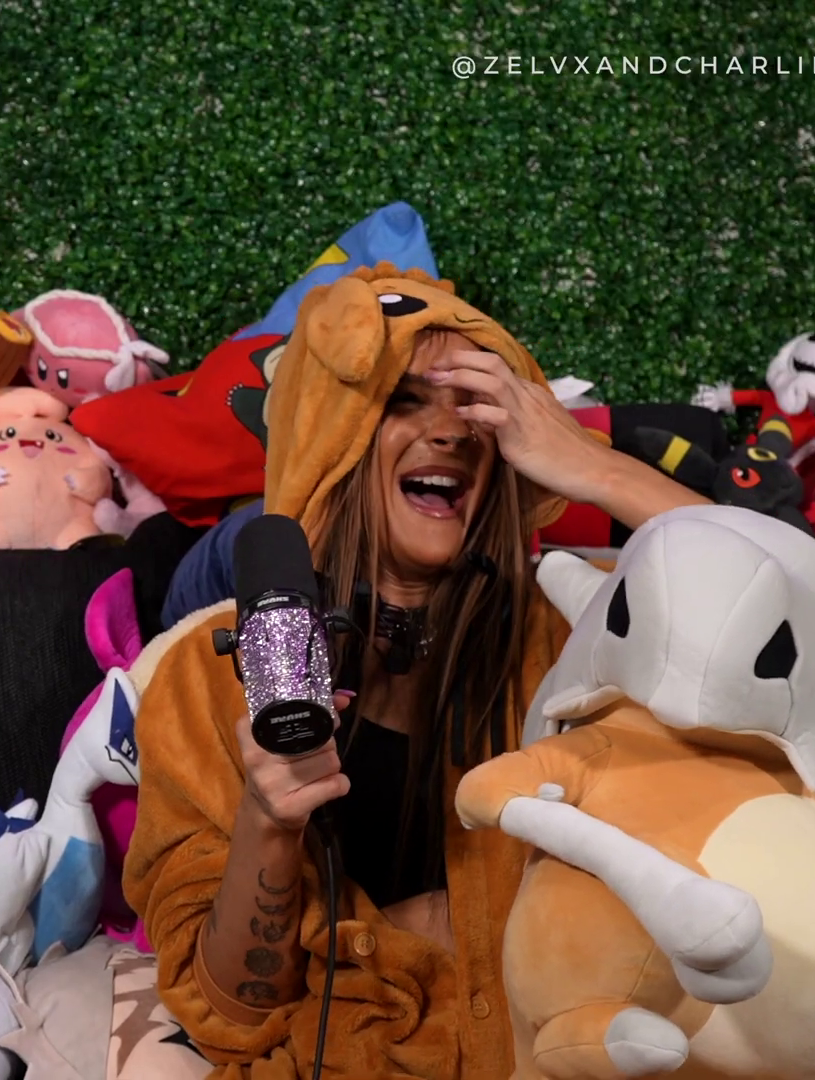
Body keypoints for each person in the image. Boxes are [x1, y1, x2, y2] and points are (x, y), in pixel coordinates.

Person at [123, 265, 711, 1079]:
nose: (451, 432)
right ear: (329, 438)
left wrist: (593, 467)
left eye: (476, 407)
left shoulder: (577, 632)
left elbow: (799, 621)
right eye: (404, 400)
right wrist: (268, 822)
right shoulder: (207, 678)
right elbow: (232, 1013)